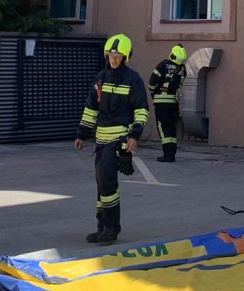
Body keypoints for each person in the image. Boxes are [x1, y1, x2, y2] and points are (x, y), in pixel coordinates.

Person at [75, 34, 149, 244]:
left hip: (119, 139)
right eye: (110, 55)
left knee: (107, 180)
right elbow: (91, 108)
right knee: (101, 182)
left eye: (118, 56)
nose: (114, 59)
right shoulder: (101, 78)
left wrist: (134, 135)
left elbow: (141, 109)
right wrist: (82, 133)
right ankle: (101, 227)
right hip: (100, 140)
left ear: (126, 57)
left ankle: (112, 227)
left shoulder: (133, 79)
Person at [148, 44, 187, 162]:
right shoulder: (183, 69)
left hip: (161, 101)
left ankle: (167, 155)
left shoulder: (163, 65)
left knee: (163, 127)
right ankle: (171, 153)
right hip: (173, 102)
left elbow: (152, 82)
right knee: (171, 127)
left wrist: (153, 91)